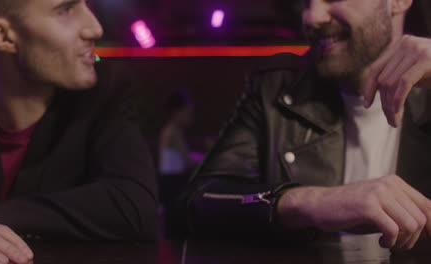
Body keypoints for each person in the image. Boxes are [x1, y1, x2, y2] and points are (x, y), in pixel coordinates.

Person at [182, 0, 431, 252]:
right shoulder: (276, 88)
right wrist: (307, 201)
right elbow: (195, 205)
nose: (312, 17)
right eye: (304, 2)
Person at [0, 0, 157, 263]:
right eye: (65, 10)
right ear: (4, 36)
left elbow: (134, 207)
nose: (95, 28)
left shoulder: (107, 90)